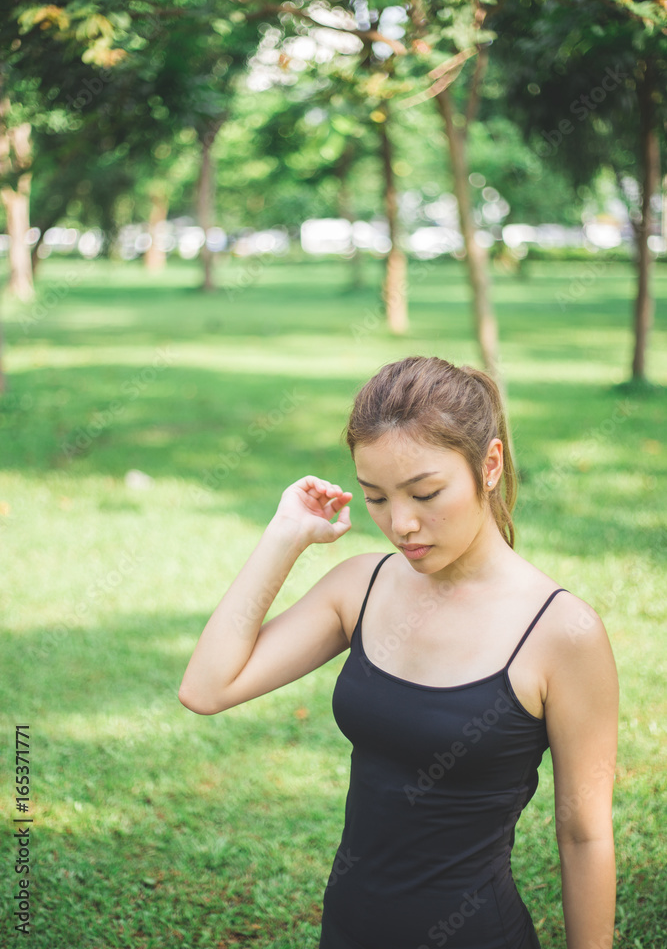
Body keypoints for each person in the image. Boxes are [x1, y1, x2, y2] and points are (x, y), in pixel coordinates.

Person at [179, 355, 618, 949]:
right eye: (377, 499)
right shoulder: (360, 587)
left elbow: (585, 837)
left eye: (425, 492)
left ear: (489, 466)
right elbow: (206, 689)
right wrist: (283, 538)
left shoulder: (562, 632)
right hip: (349, 929)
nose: (402, 523)